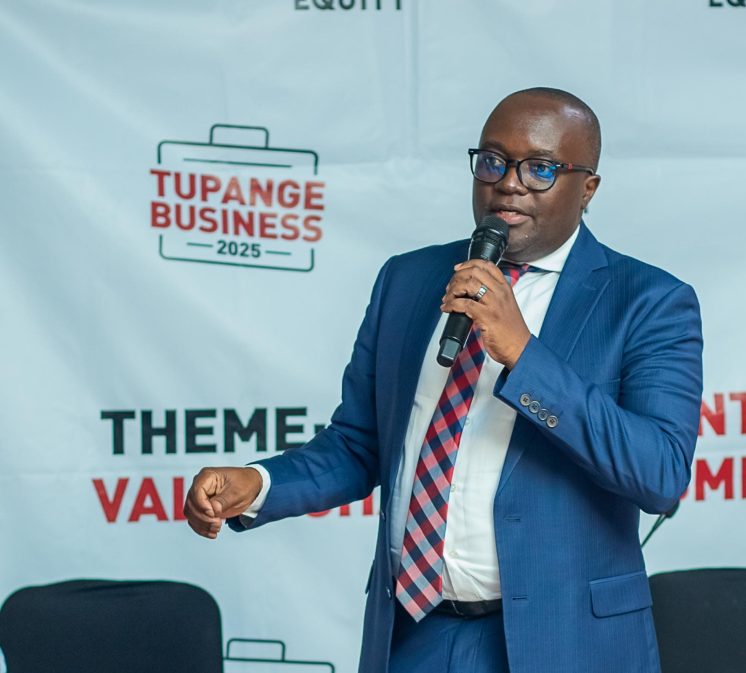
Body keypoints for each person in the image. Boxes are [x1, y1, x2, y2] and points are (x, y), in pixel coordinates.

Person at [184, 87, 703, 673]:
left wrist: (524, 354)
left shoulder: (648, 302)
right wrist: (259, 484)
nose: (508, 184)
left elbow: (660, 474)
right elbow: (360, 444)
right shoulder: (409, 280)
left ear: (587, 188)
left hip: (565, 643)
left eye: (540, 169)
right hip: (415, 634)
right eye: (493, 161)